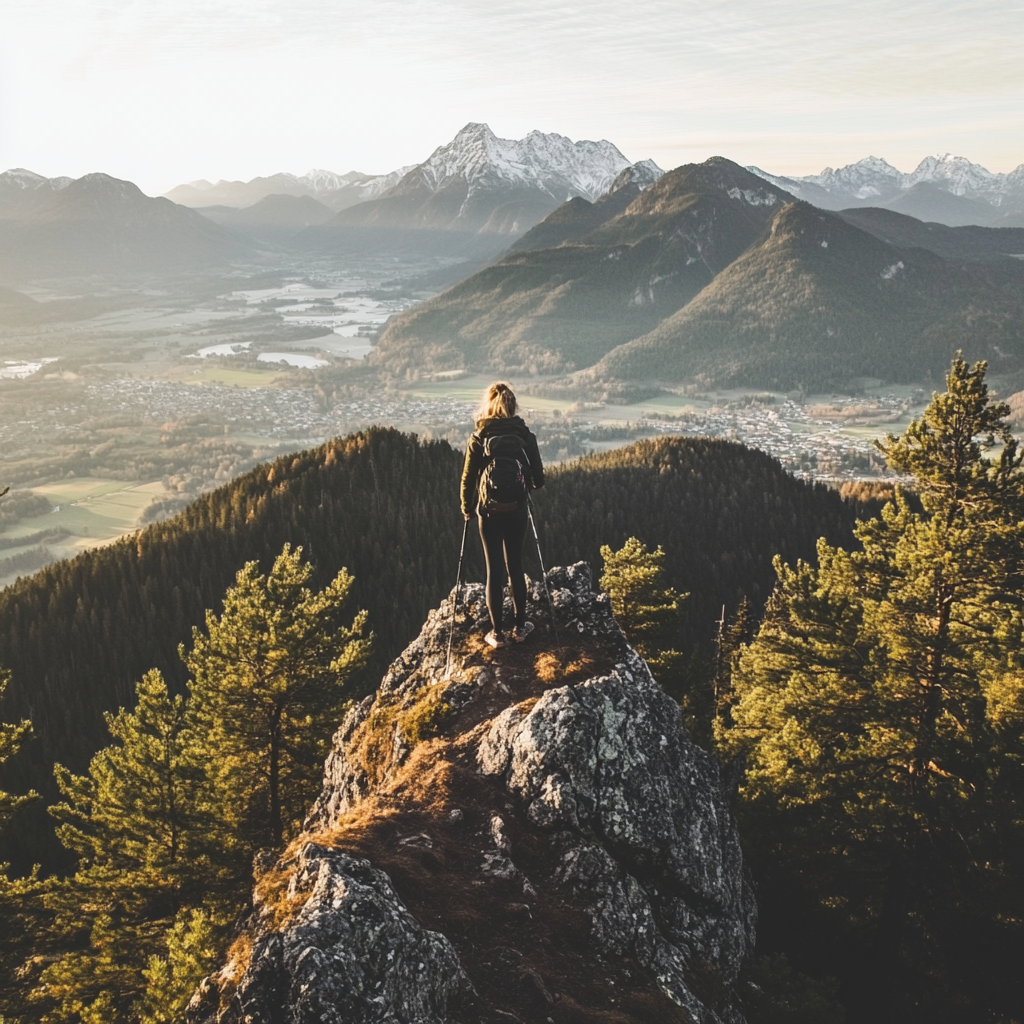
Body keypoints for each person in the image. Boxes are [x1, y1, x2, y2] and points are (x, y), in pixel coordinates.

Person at [461, 381, 544, 648]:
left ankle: (496, 634)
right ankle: (521, 627)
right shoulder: (524, 435)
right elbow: (539, 479)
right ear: (512, 406)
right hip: (517, 509)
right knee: (515, 566)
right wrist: (527, 484)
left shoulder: (479, 437)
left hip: (489, 511)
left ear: (488, 405)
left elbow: (468, 478)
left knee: (493, 570)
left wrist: (467, 507)